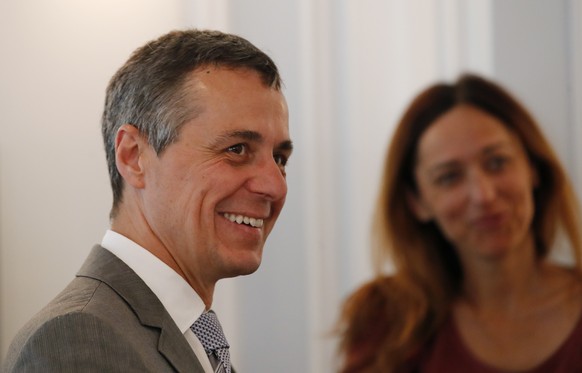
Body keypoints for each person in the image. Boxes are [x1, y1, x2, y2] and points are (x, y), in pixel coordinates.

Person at [3, 29, 293, 372]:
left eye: (279, 158)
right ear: (133, 156)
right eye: (236, 150)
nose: (275, 186)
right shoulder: (79, 340)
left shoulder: (182, 333)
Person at [337, 74, 582, 372]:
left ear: (533, 168)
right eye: (449, 177)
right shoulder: (385, 321)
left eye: (497, 162)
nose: (484, 195)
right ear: (418, 202)